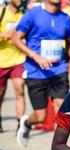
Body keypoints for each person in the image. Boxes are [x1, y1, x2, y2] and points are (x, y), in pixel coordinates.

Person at [12, 0, 70, 150]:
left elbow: (69, 43)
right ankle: (27, 123)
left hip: (59, 71)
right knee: (40, 116)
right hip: (36, 72)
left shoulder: (66, 18)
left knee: (61, 112)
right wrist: (36, 56)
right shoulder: (33, 14)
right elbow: (15, 38)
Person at [0, 0, 25, 133]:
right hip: (1, 60)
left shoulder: (23, 15)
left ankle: (20, 125)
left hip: (18, 59)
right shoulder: (2, 12)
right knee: (1, 93)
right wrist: (7, 35)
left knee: (19, 90)